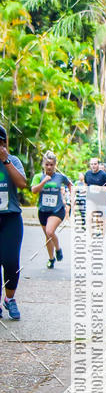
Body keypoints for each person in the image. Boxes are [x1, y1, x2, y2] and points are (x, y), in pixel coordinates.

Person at [0, 124, 27, 320]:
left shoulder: (14, 160)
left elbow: (22, 183)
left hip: (11, 217)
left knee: (10, 261)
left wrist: (6, 160)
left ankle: (10, 299)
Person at [31, 151, 72, 269]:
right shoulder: (38, 177)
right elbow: (34, 190)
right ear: (43, 164)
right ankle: (51, 258)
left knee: (50, 231)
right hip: (43, 211)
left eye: (52, 164)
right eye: (47, 164)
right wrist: (44, 181)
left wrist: (70, 198)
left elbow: (70, 184)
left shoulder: (60, 177)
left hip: (57, 210)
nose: (49, 167)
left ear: (55, 165)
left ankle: (58, 249)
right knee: (48, 236)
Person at [84, 159, 106, 235]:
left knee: (104, 218)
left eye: (95, 164)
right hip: (91, 199)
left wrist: (101, 189)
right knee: (90, 215)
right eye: (91, 164)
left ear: (98, 165)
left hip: (102, 200)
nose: (93, 166)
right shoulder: (87, 174)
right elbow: (86, 184)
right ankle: (91, 233)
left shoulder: (103, 175)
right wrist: (85, 190)